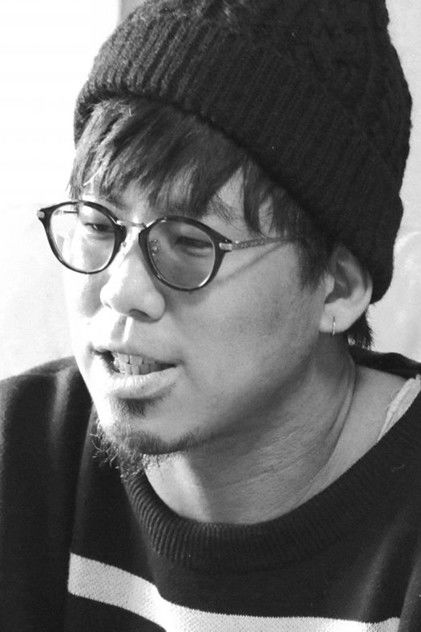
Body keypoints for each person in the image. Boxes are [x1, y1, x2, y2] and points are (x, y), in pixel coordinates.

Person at [1, 0, 420, 629]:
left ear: (336, 289)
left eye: (191, 243)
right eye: (97, 225)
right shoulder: (21, 451)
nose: (122, 291)